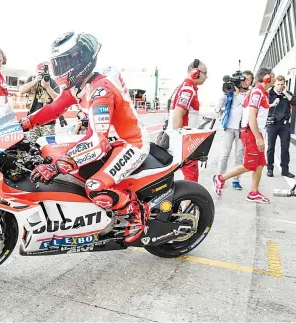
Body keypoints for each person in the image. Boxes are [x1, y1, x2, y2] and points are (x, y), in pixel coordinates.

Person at [19, 32, 151, 243]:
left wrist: (58, 165)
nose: (59, 71)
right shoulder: (80, 85)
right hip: (110, 141)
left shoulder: (101, 91)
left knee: (95, 187)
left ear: (80, 61)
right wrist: (24, 123)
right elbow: (54, 108)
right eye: (57, 64)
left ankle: (135, 212)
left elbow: (97, 141)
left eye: (63, 64)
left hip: (130, 143)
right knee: (52, 155)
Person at [212, 67, 279, 203]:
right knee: (249, 165)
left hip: (256, 132)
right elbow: (252, 116)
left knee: (260, 164)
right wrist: (258, 138)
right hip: (251, 132)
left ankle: (254, 192)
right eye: (273, 76)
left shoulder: (262, 92)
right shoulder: (257, 93)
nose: (274, 79)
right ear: (266, 77)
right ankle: (220, 178)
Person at [167, 58, 208, 182]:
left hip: (183, 140)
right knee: (191, 179)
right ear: (195, 72)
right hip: (186, 142)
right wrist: (182, 144)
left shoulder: (183, 87)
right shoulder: (188, 89)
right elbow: (178, 115)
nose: (206, 77)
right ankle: (188, 201)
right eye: (205, 73)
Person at [216, 70, 254, 190]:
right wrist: (226, 91)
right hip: (229, 127)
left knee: (239, 155)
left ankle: (235, 180)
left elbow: (246, 105)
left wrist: (237, 94)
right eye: (244, 79)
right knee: (225, 154)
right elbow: (220, 104)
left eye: (248, 80)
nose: (246, 82)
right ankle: (219, 177)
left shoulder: (251, 93)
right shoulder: (231, 91)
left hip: (242, 129)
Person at [266, 75, 296, 178]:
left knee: (285, 148)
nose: (280, 86)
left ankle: (285, 170)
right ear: (274, 84)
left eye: (282, 84)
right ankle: (270, 168)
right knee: (271, 147)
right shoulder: (269, 94)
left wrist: (285, 93)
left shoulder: (287, 94)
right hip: (272, 124)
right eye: (278, 84)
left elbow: (294, 102)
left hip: (284, 125)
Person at [18, 62, 63, 136]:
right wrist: (35, 81)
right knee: (32, 144)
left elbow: (58, 100)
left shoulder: (52, 82)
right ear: (36, 72)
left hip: (48, 121)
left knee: (46, 145)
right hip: (32, 119)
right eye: (40, 73)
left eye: (44, 74)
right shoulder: (32, 79)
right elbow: (21, 90)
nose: (42, 76)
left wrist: (47, 87)